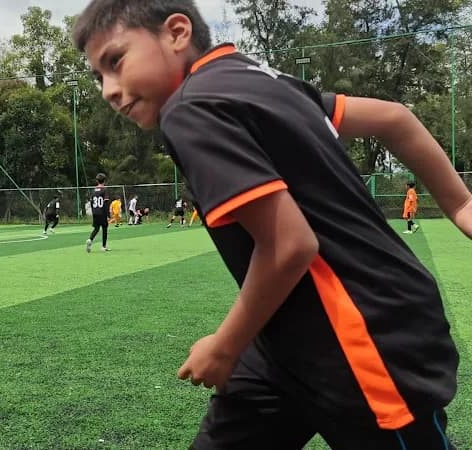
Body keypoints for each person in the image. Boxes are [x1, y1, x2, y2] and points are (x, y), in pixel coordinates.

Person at [73, 0, 472, 448]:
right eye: (97, 76)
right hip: (286, 345)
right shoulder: (259, 78)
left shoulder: (189, 107)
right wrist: (460, 203)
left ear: (177, 33)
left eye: (116, 61)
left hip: (363, 339)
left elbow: (289, 245)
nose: (108, 89)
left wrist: (224, 346)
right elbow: (395, 118)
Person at [86, 173, 111, 253]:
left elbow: (91, 202)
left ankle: (90, 239)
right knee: (104, 228)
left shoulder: (93, 190)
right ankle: (103, 246)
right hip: (102, 212)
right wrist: (108, 215)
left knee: (96, 228)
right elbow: (106, 203)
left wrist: (93, 212)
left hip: (95, 212)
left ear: (97, 181)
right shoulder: (104, 189)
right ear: (104, 180)